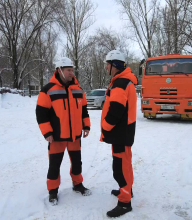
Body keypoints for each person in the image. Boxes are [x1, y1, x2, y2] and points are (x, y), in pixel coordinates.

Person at [36, 57, 91, 205]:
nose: (71, 73)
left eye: (72, 70)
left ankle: (77, 184)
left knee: (77, 163)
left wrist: (86, 126)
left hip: (74, 137)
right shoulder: (48, 90)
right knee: (54, 165)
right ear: (59, 70)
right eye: (68, 70)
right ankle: (53, 191)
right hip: (56, 138)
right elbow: (41, 113)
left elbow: (84, 110)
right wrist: (47, 133)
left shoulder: (78, 90)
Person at [100, 50, 137, 217]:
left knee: (119, 169)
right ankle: (128, 190)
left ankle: (124, 202)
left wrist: (105, 127)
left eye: (107, 64)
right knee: (125, 165)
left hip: (120, 134)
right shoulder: (124, 81)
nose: (106, 67)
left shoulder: (120, 83)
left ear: (114, 65)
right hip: (124, 133)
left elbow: (115, 111)